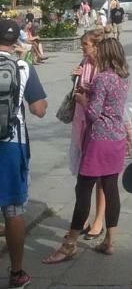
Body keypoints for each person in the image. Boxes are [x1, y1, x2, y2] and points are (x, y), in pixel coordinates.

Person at [44, 37, 129, 263]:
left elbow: (93, 114)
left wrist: (82, 99)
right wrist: (89, 88)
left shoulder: (102, 78)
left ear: (106, 54)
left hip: (99, 140)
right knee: (111, 190)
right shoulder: (121, 78)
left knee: (83, 190)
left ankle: (69, 244)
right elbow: (111, 102)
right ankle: (110, 241)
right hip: (117, 138)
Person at [0, 18, 48, 289]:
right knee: (13, 210)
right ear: (16, 39)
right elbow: (39, 109)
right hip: (11, 143)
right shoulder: (24, 67)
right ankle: (17, 273)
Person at [70, 28, 107, 239]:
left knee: (101, 177)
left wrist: (84, 93)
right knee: (83, 174)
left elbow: (101, 98)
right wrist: (74, 78)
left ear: (96, 46)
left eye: (85, 44)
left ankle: (99, 219)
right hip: (82, 121)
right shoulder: (84, 63)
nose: (82, 48)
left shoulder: (104, 68)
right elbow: (77, 89)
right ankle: (82, 216)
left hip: (99, 126)